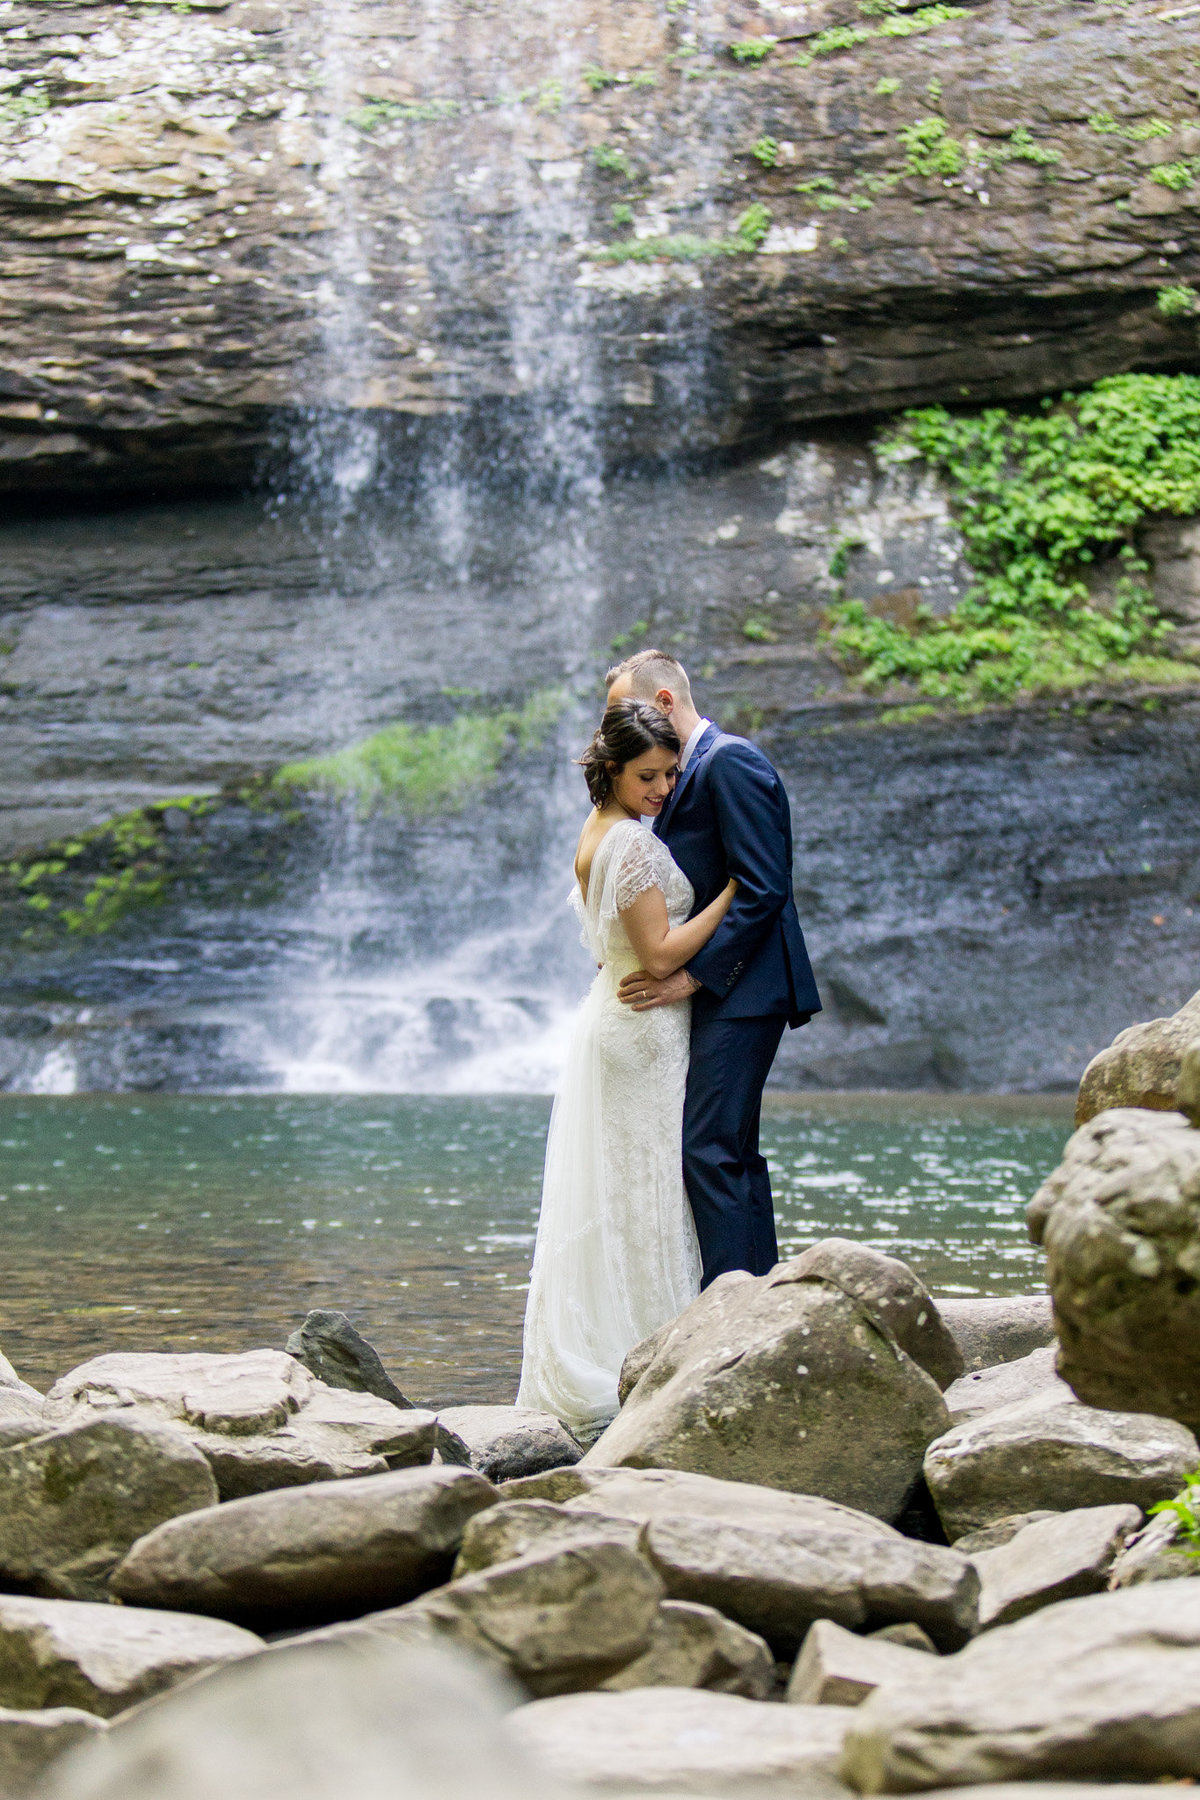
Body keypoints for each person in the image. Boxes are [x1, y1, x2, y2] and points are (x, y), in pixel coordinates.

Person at [516, 698, 737, 1435]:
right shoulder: (632, 846)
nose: (664, 791)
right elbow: (662, 954)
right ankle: (644, 1354)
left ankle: (621, 1343)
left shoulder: (599, 832)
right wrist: (735, 895)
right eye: (648, 776)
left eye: (672, 775)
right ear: (609, 769)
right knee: (643, 1195)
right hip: (643, 1029)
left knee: (622, 1196)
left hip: (617, 1018)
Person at [605, 649, 821, 1289]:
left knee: (707, 1150)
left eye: (627, 711)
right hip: (728, 983)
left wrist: (690, 978)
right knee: (730, 1152)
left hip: (747, 987)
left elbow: (763, 887)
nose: (615, 728)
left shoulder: (731, 761)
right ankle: (761, 1299)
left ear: (664, 703)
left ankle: (731, 1310)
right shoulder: (676, 773)